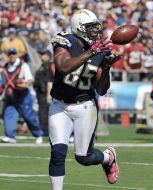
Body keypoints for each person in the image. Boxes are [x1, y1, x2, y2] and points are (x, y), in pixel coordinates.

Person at [48, 9, 120, 190]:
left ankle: (107, 158)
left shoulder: (100, 50)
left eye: (97, 28)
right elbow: (63, 67)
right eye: (90, 28)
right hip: (59, 106)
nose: (95, 32)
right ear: (78, 29)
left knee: (84, 158)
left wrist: (107, 68)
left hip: (85, 107)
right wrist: (90, 53)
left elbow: (102, 90)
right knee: (58, 153)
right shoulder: (65, 41)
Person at [0, 47, 44, 144]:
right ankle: (10, 136)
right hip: (10, 97)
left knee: (29, 117)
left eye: (13, 53)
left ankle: (38, 134)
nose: (12, 55)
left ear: (16, 54)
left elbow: (29, 79)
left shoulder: (23, 65)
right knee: (9, 116)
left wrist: (24, 84)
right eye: (10, 54)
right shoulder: (5, 67)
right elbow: (2, 83)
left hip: (23, 96)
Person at [34, 50, 54, 136]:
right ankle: (44, 130)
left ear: (48, 56)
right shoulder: (43, 65)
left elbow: (50, 81)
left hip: (45, 93)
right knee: (42, 112)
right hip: (40, 93)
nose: (41, 56)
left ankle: (45, 131)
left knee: (44, 113)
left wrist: (48, 94)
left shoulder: (49, 65)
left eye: (43, 54)